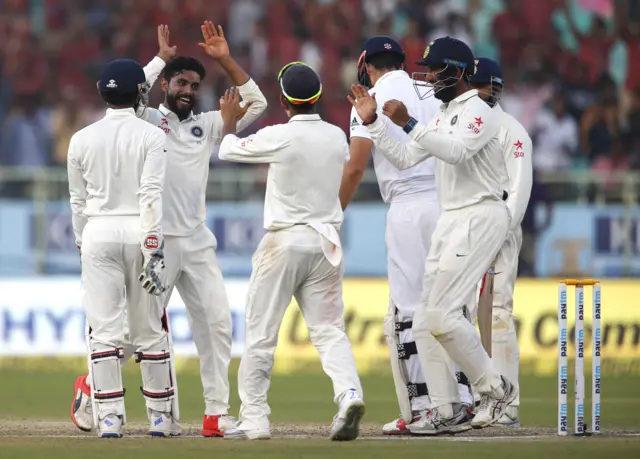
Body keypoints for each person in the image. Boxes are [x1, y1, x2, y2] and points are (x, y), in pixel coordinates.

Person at [70, 22, 268, 438]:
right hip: (151, 241)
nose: (188, 91)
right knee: (136, 333)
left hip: (195, 241)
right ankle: (92, 385)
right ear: (161, 86)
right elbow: (123, 86)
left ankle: (215, 414)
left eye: (195, 85)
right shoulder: (142, 117)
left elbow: (258, 102)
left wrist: (225, 60)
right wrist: (159, 59)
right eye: (180, 82)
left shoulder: (209, 125)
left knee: (216, 325)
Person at [348, 36, 518, 435]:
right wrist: (373, 122)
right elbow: (405, 157)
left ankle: (496, 390)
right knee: (425, 319)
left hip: (478, 215)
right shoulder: (441, 113)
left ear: (458, 72)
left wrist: (408, 122)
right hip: (450, 217)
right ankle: (446, 409)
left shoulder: (481, 109)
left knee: (442, 314)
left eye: (436, 69)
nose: (427, 77)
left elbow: (456, 153)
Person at [217, 62, 365, 441]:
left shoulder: (279, 135)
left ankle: (254, 419)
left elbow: (228, 150)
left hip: (284, 242)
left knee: (261, 333)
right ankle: (349, 395)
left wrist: (229, 121)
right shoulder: (335, 136)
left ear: (284, 100)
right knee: (330, 331)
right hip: (325, 242)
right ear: (316, 97)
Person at [68, 58, 174, 438]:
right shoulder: (151, 136)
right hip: (138, 231)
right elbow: (151, 193)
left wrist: (83, 242)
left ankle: (109, 418)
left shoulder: (80, 139)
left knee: (104, 331)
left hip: (98, 233)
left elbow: (77, 202)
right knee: (148, 329)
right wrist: (152, 243)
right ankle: (161, 418)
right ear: (140, 92)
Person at [469, 57, 532, 427]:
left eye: (477, 87)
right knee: (473, 317)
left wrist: (499, 229)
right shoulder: (471, 126)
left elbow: (519, 193)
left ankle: (509, 404)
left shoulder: (512, 130)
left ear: (493, 88)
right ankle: (486, 398)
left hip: (501, 231)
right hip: (471, 231)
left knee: (498, 313)